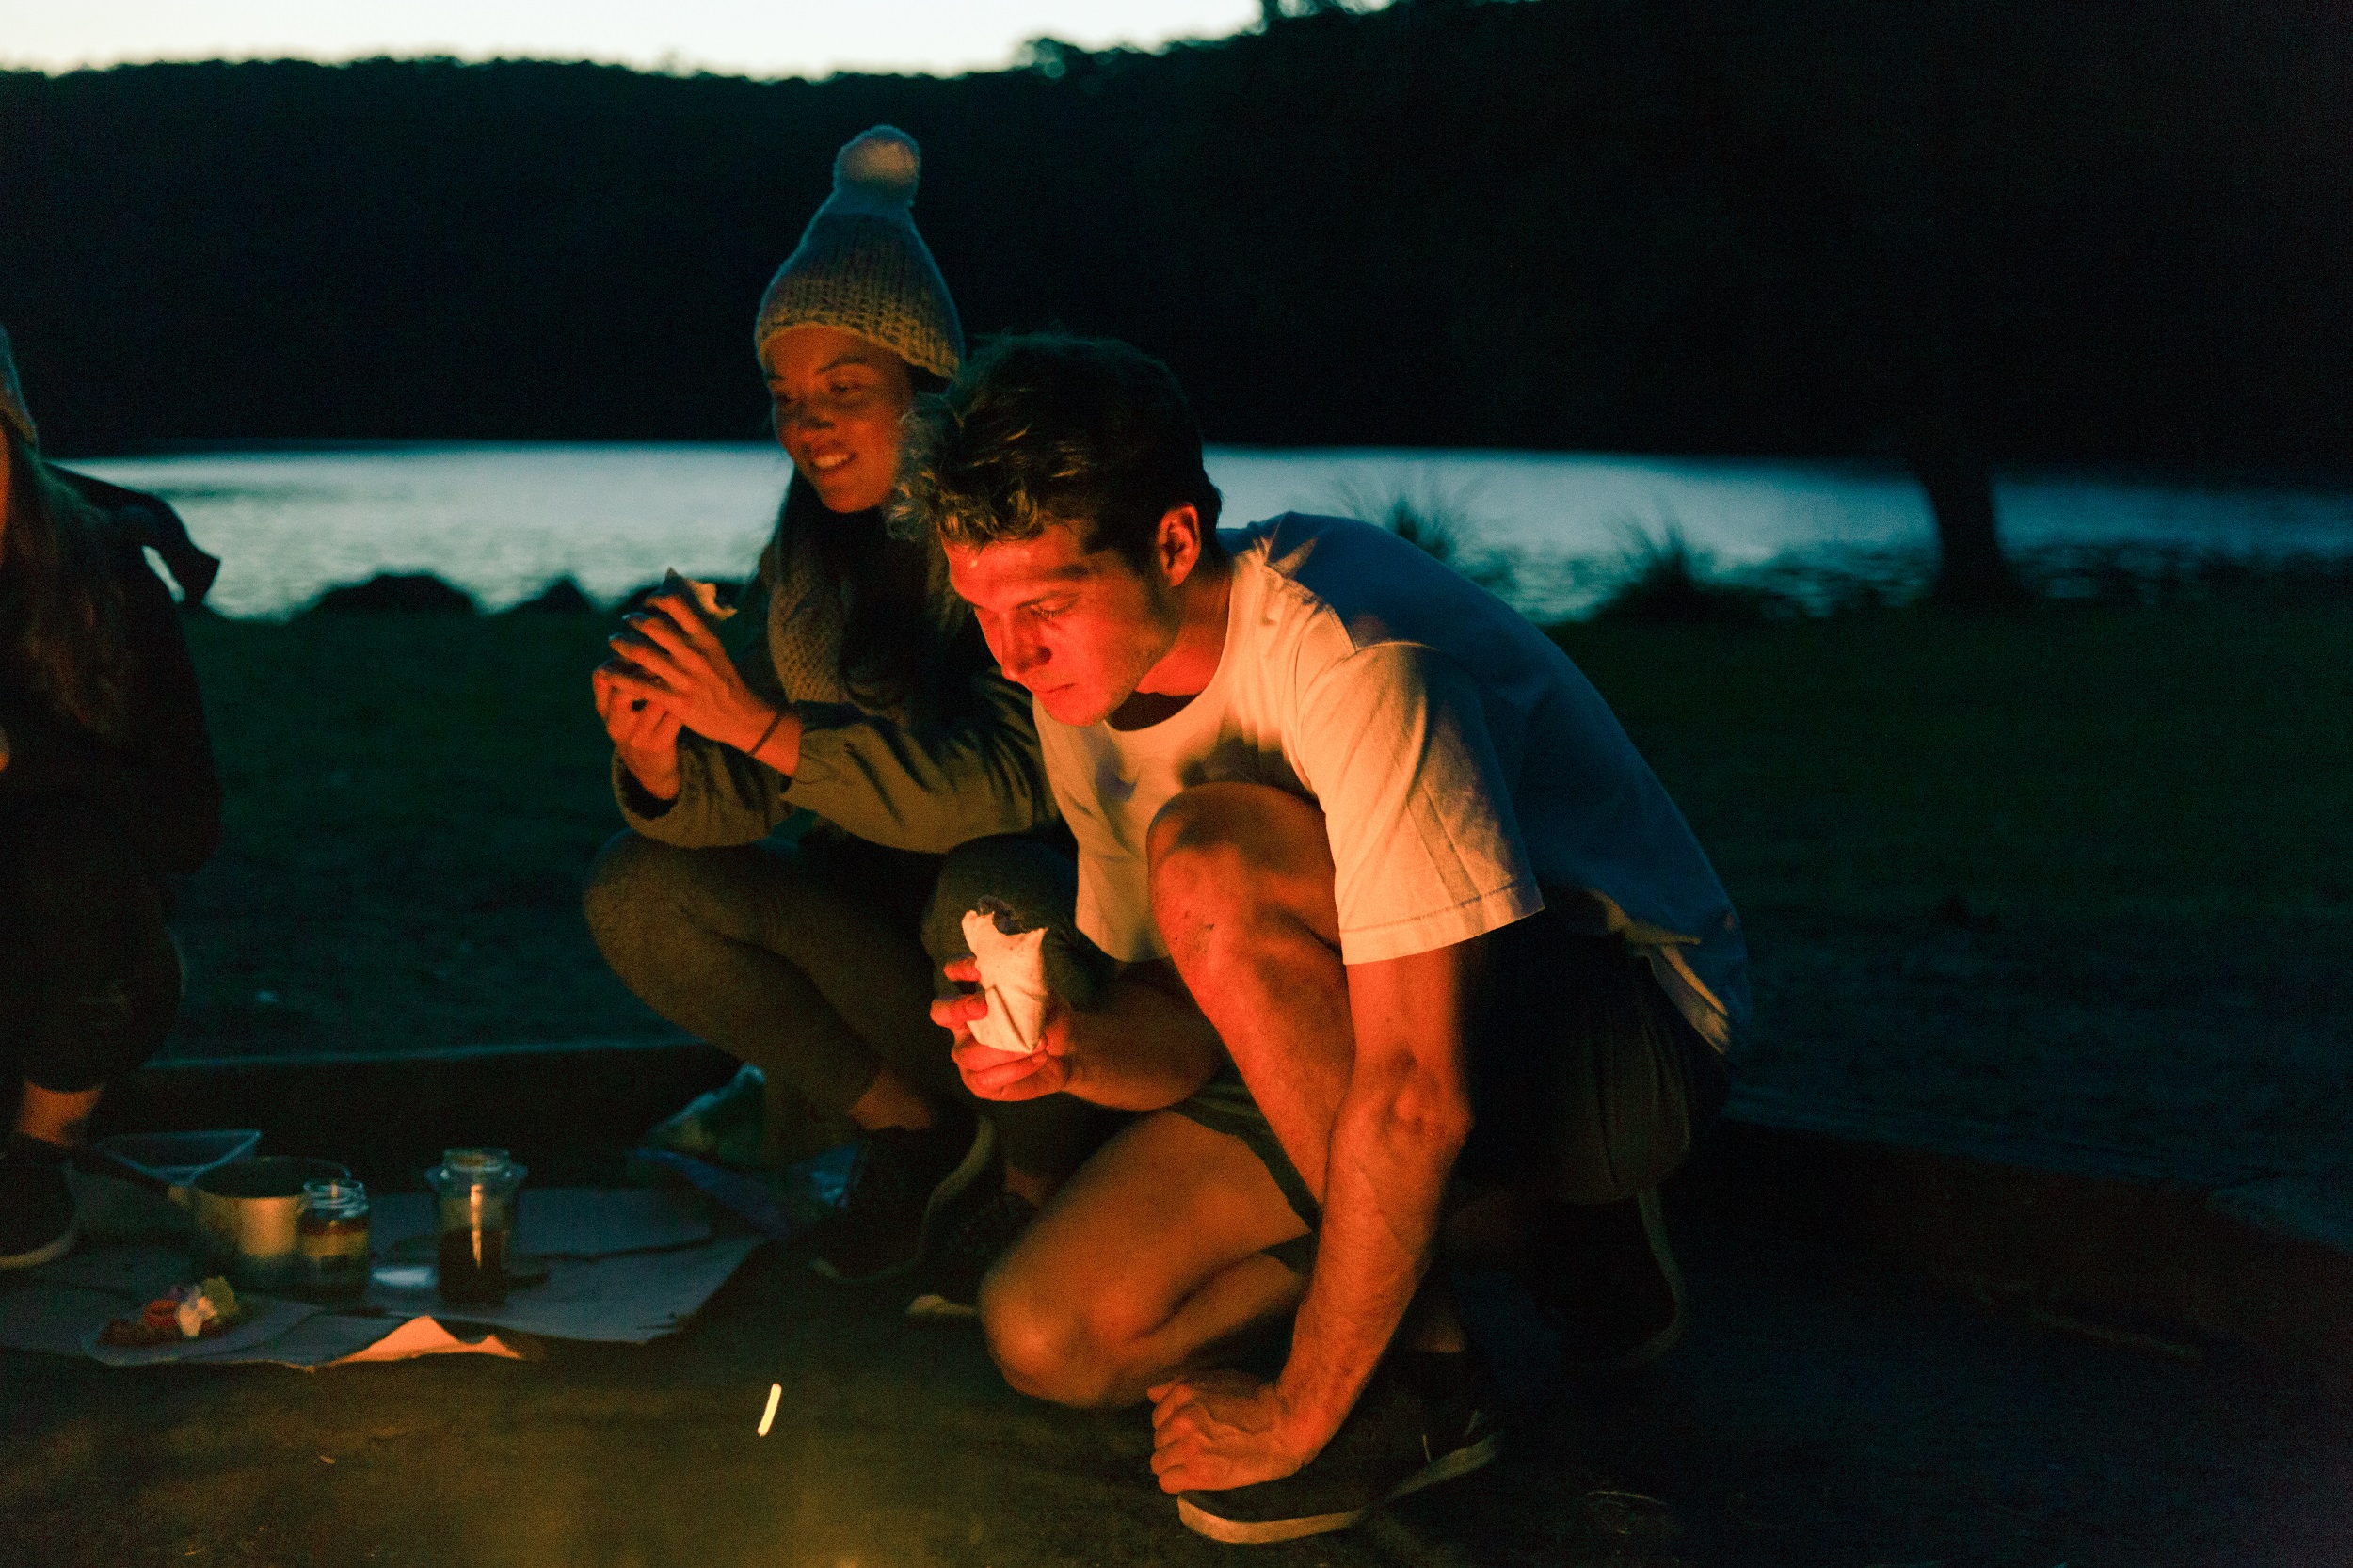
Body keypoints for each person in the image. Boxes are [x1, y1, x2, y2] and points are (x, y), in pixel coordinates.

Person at [904, 334, 1748, 1544]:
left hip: (1615, 1025)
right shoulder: (1082, 686)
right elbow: (1193, 1028)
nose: (1012, 652)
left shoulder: (1355, 653)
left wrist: (1306, 1403)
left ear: (1174, 543)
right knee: (1050, 1333)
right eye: (982, 608)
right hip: (1354, 1023)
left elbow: (1414, 1096)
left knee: (1208, 854)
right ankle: (1557, 1234)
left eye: (1045, 604)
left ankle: (1428, 1387)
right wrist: (1071, 1050)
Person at [583, 128, 1100, 1302]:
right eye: (786, 397)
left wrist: (756, 724)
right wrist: (662, 756)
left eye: (844, 392)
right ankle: (910, 1131)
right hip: (890, 969)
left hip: (1046, 970)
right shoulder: (808, 556)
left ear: (926, 392)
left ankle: (1030, 1189)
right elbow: (753, 797)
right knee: (637, 882)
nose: (806, 425)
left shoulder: (1015, 535)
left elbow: (1007, 789)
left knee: (989, 886)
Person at [0, 325, 224, 1268]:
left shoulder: (106, 575)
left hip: (88, 963)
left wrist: (28, 763)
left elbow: (189, 825)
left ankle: (38, 1155)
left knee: (67, 857)